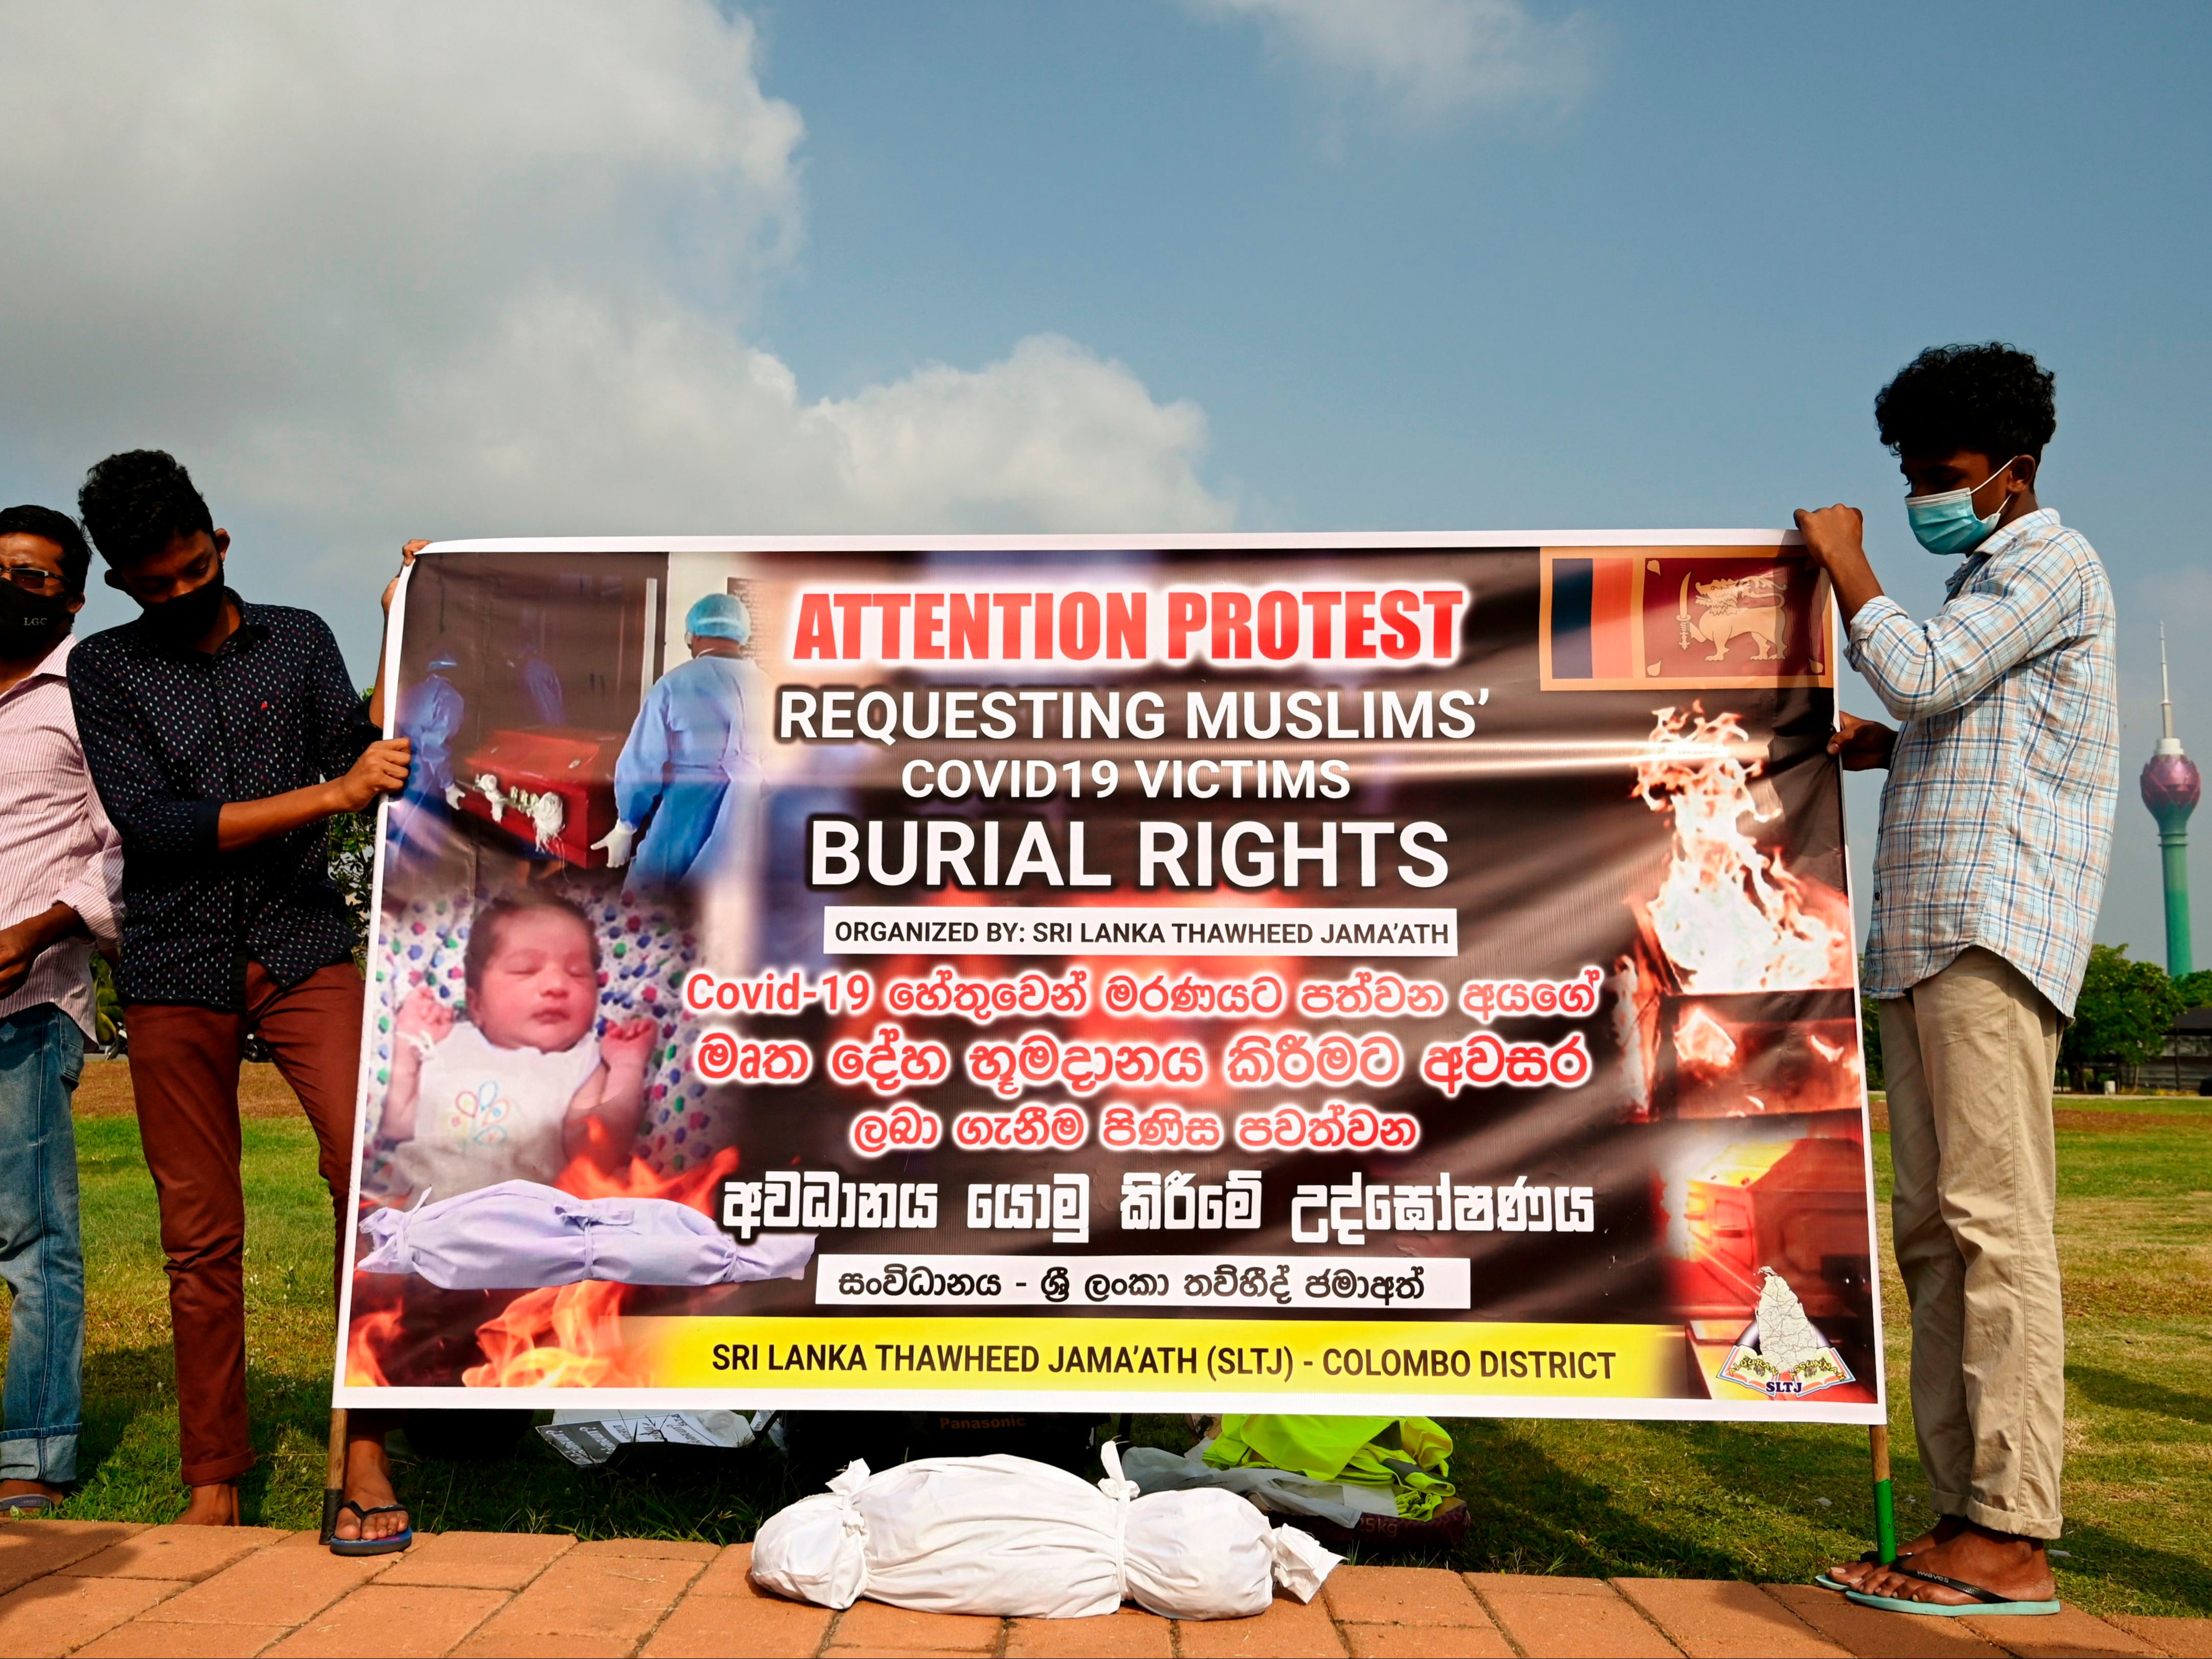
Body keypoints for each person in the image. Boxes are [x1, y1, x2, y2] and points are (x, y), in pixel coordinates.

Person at [1797, 344, 2117, 1616]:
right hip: (1924, 939)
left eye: (1941, 475)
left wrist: (1844, 562)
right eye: (1908, 473)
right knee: (1932, 1234)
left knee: (1991, 1229)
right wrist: (1893, 744)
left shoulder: (2050, 560)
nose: (1925, 492)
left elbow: (1925, 668)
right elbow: (1949, 707)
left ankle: (2010, 1529)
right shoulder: (1988, 587)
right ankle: (1959, 1520)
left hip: (1990, 939)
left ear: (2012, 472)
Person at [67, 451, 415, 1545]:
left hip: (304, 940)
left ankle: (364, 1445)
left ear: (220, 541)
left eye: (188, 570)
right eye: (148, 584)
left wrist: (415, 621)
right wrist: (332, 791)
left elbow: (372, 758)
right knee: (199, 1231)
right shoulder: (105, 667)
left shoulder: (301, 638)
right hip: (173, 959)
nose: (173, 596)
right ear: (123, 581)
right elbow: (155, 824)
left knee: (369, 1180)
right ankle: (213, 1476)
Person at [0, 505, 122, 1514]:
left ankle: (34, 1453)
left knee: (33, 1238)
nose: (10, 588)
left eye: (32, 577)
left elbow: (131, 852)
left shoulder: (93, 698)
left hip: (25, 1006)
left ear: (72, 597)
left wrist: (41, 929)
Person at [381, 891, 656, 1199]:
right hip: (424, 1219)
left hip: (523, 1226)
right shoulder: (450, 1044)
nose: (556, 985)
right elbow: (396, 1121)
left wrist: (627, 1066)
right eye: (525, 969)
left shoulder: (580, 1065)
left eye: (578, 974)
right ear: (476, 1004)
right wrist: (408, 1041)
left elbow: (598, 1155)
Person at [596, 592, 766, 889]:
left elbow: (642, 764)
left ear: (696, 635)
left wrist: (626, 825)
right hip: (749, 825)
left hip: (682, 817)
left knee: (649, 911)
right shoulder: (770, 687)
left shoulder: (675, 685)